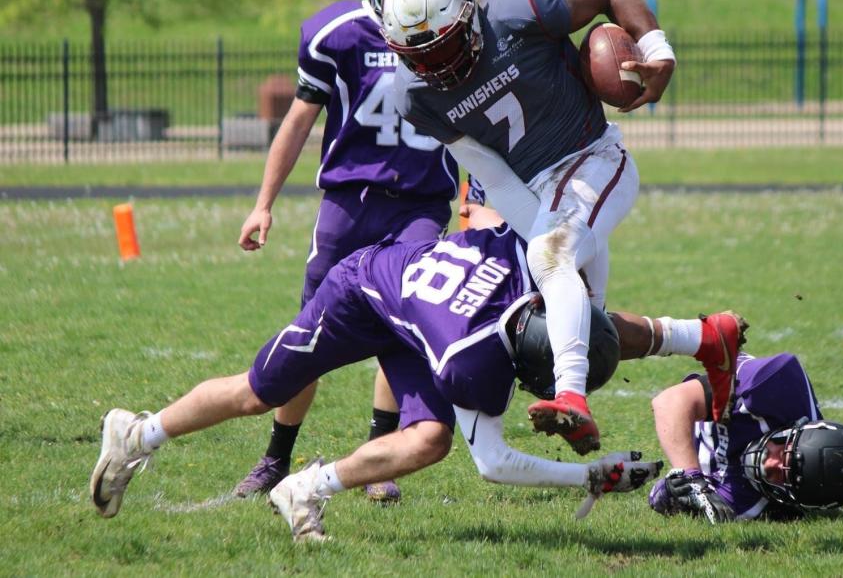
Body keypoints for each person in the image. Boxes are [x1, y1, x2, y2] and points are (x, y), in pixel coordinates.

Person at [89, 209, 746, 543]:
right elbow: (492, 462)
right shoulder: (473, 358)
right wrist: (593, 477)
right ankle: (137, 434)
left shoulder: (528, 262)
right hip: (359, 296)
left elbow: (579, 307)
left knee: (428, 439)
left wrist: (678, 334)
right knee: (256, 392)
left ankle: (306, 488)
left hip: (420, 309)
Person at [379, 0, 694, 457]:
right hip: (535, 191)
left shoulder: (512, 6)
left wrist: (659, 52)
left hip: (592, 156)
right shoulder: (416, 93)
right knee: (587, 320)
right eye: (424, 56)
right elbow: (494, 180)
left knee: (549, 258)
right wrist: (548, 251)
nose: (440, 65)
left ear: (466, 10)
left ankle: (571, 395)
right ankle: (708, 339)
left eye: (447, 44)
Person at [233, 0, 457, 502]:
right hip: (348, 205)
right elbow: (299, 121)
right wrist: (263, 204)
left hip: (421, 207)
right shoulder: (338, 33)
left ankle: (376, 459)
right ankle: (276, 457)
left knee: (403, 327)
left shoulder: (453, 31)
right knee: (310, 329)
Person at [647, 349, 843, 523]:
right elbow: (669, 402)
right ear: (793, 432)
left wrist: (674, 490)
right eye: (782, 452)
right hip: (715, 404)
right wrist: (690, 474)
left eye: (777, 477)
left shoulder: (750, 503)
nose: (768, 464)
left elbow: (662, 500)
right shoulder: (772, 387)